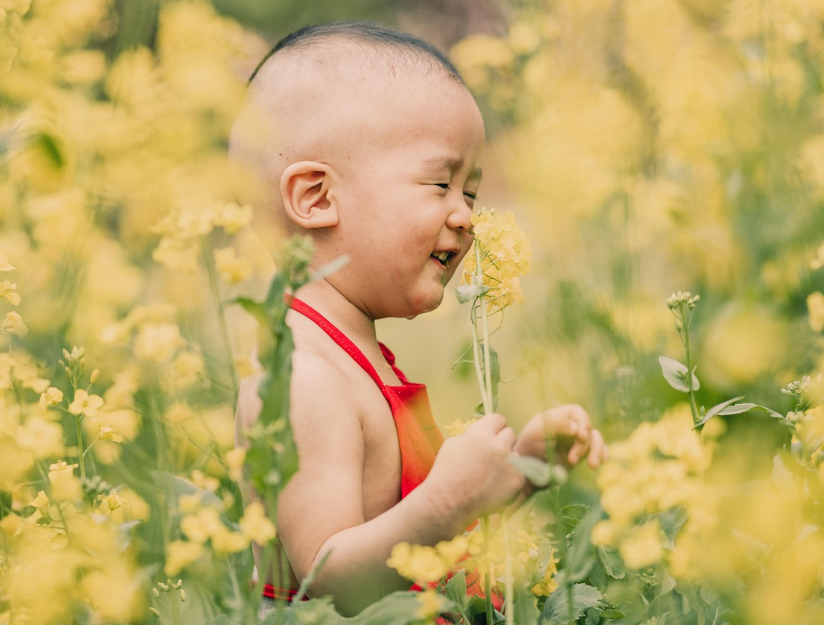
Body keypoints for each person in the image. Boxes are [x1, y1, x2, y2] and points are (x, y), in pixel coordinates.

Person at [229, 21, 608, 617]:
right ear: (316, 197)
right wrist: (447, 502)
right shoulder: (304, 378)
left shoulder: (360, 359)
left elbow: (416, 546)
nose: (466, 217)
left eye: (472, 192)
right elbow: (326, 578)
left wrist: (519, 472)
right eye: (441, 183)